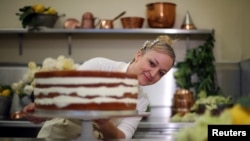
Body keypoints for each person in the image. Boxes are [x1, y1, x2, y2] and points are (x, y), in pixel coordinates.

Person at [23, 35, 176, 139]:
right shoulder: (100, 66)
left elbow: (123, 136)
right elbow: (63, 97)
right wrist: (42, 111)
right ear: (138, 55)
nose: (154, 73)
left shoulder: (141, 100)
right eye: (152, 63)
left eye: (161, 73)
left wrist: (103, 122)